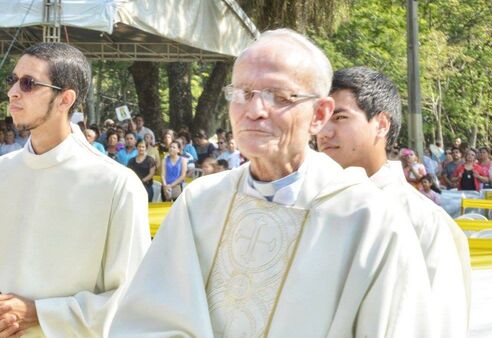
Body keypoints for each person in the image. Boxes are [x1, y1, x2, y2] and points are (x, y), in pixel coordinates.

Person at [110, 29, 430, 338]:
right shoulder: (201, 203)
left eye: (278, 96)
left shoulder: (369, 220)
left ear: (319, 114)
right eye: (242, 94)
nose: (255, 110)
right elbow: (148, 321)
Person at [0, 42, 150, 337]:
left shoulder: (116, 184)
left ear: (65, 99)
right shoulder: (2, 171)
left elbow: (134, 298)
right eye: (12, 80)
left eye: (28, 83)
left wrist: (40, 313)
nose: (13, 91)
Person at [316, 66, 470, 337]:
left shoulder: (423, 222)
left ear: (382, 125)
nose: (324, 132)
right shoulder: (309, 207)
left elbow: (441, 325)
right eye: (320, 118)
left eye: (339, 117)